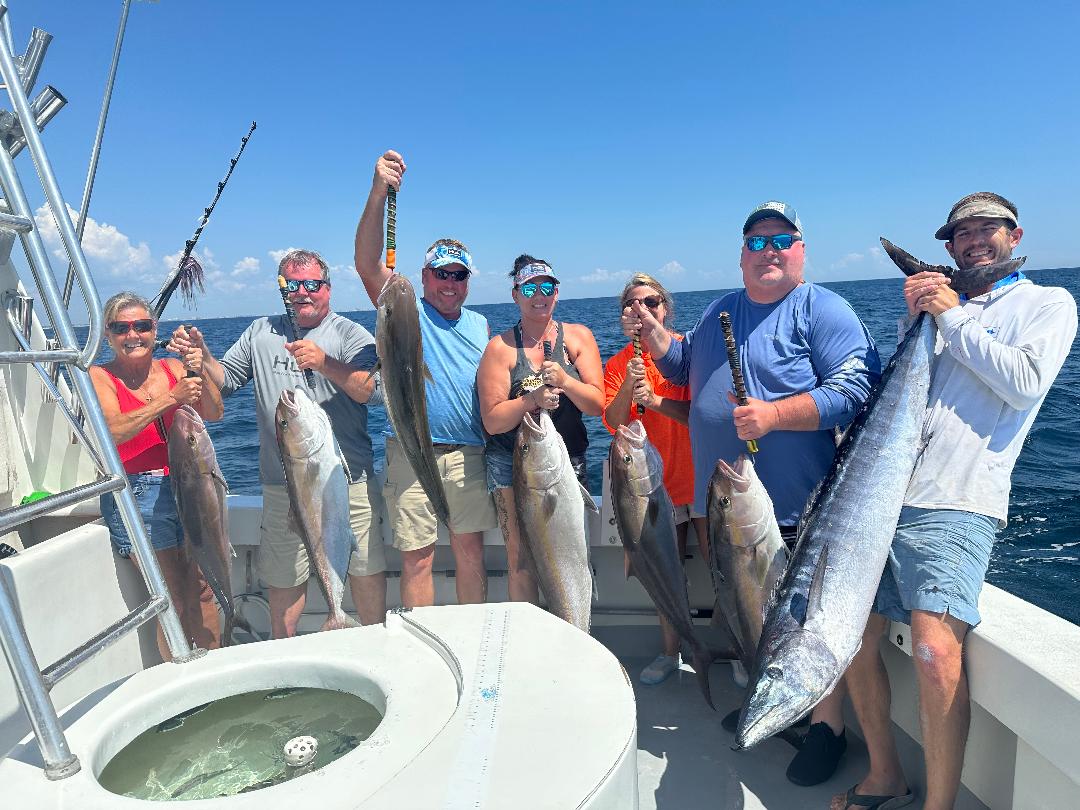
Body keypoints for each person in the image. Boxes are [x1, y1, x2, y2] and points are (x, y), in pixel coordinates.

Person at [831, 193, 1077, 810]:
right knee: (853, 635)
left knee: (937, 651)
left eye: (985, 228)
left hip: (958, 501)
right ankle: (886, 772)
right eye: (960, 234)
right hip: (880, 498)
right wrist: (924, 317)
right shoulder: (935, 311)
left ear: (1014, 235)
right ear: (948, 247)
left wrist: (949, 314)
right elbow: (903, 400)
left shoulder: (1047, 303)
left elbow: (1022, 385)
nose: (972, 240)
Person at [627, 201, 881, 787]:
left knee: (801, 629)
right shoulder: (721, 309)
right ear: (741, 256)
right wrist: (659, 334)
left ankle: (827, 728)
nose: (769, 250)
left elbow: (857, 388)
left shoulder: (823, 309)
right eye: (757, 241)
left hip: (798, 508)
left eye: (781, 240)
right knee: (748, 615)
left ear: (800, 250)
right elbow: (687, 360)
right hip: (728, 505)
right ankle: (779, 706)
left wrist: (775, 415)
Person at [174, 249, 385, 638]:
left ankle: (372, 642)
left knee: (365, 568)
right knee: (284, 578)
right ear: (282, 289)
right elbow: (225, 380)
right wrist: (201, 356)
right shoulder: (260, 332)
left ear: (328, 288)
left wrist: (325, 363)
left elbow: (373, 390)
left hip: (347, 481)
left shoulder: (350, 334)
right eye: (293, 285)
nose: (303, 293)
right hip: (280, 485)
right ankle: (287, 657)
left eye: (312, 285)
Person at [354, 150, 497, 607]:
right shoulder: (402, 307)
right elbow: (366, 261)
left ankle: (469, 637)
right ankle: (428, 644)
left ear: (468, 280)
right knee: (417, 557)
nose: (449, 283)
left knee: (469, 550)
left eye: (458, 275)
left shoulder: (480, 325)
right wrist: (380, 192)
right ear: (424, 276)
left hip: (470, 454)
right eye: (441, 274)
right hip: (411, 451)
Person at [91, 291, 224, 659]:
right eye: (121, 328)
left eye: (141, 326)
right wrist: (171, 398)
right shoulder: (99, 376)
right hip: (139, 494)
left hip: (189, 485)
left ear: (154, 329)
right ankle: (182, 688)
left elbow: (214, 412)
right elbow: (113, 430)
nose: (132, 335)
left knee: (202, 589)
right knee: (172, 599)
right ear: (108, 336)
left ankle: (215, 671)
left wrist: (199, 367)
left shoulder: (173, 368)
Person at [477, 255, 604, 603]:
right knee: (521, 558)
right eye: (530, 287)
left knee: (574, 552)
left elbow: (596, 404)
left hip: (568, 460)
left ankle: (578, 638)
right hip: (512, 464)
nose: (539, 295)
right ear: (516, 294)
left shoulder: (578, 337)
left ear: (557, 292)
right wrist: (531, 400)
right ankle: (529, 643)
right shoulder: (500, 349)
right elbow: (493, 420)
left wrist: (566, 381)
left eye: (546, 287)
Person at [603, 273, 708, 685]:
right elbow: (613, 421)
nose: (643, 309)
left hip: (700, 480)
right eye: (633, 303)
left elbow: (701, 416)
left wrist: (657, 402)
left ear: (666, 308)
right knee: (666, 571)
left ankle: (739, 649)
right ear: (624, 315)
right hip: (651, 490)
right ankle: (672, 651)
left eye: (652, 302)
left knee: (723, 568)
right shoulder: (618, 364)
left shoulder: (688, 353)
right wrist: (631, 381)